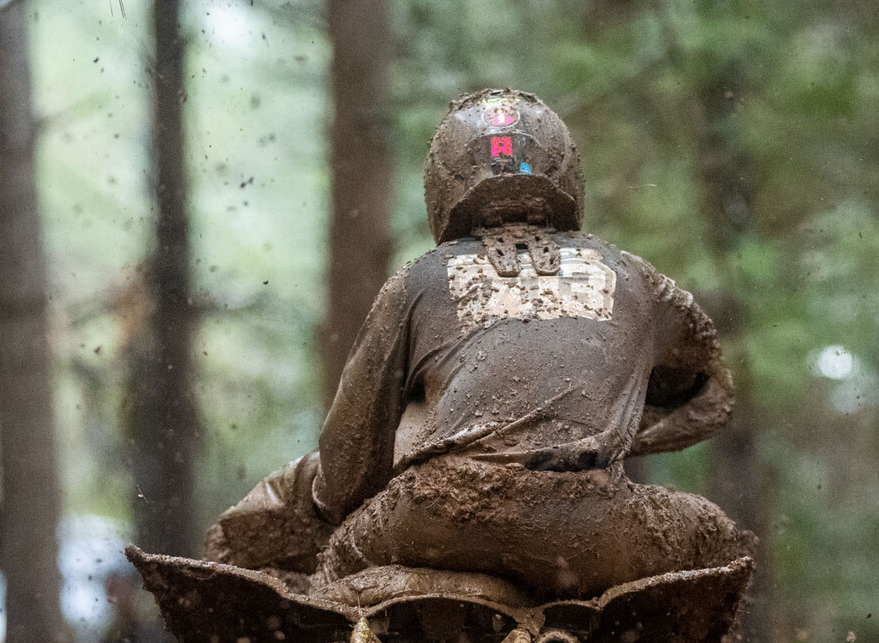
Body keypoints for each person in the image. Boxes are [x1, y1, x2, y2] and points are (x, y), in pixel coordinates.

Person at [204, 89, 750, 598]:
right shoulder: (634, 277)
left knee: (331, 578)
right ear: (566, 172)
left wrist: (329, 510)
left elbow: (348, 467)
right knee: (717, 538)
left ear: (443, 185)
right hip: (592, 530)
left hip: (437, 520)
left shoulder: (418, 280)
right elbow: (706, 387)